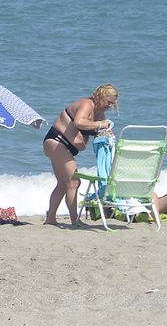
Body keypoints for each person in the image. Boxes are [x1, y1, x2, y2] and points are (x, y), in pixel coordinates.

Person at [43, 83, 118, 227]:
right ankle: (75, 220)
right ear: (100, 96)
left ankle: (50, 218)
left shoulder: (99, 113)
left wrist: (106, 135)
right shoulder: (86, 104)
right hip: (57, 142)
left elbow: (98, 131)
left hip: (63, 146)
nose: (110, 106)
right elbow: (79, 122)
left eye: (112, 104)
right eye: (108, 102)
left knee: (63, 184)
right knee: (74, 182)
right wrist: (101, 125)